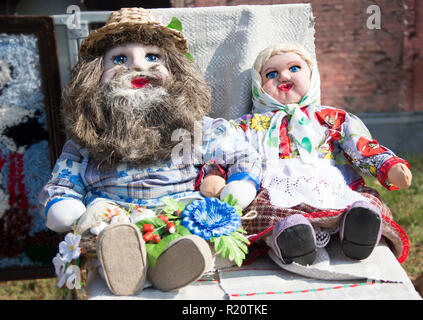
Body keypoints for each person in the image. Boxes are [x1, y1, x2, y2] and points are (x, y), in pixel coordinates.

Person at [39, 7, 261, 295]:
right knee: (104, 229)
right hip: (112, 220)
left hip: (178, 217)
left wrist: (242, 182)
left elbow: (242, 154)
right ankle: (124, 265)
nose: (139, 67)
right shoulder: (86, 140)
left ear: (176, 71)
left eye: (153, 57)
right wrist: (63, 203)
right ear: (95, 74)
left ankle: (173, 264)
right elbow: (62, 183)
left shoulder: (195, 129)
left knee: (189, 236)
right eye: (120, 59)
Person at [203, 42, 412, 266]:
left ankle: (357, 228)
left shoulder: (330, 117)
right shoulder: (249, 125)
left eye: (294, 68)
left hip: (328, 182)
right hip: (273, 187)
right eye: (271, 74)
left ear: (312, 76)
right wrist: (215, 173)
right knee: (263, 212)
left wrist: (387, 165)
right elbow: (226, 149)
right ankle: (290, 239)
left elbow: (359, 144)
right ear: (258, 86)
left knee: (365, 199)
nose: (283, 77)